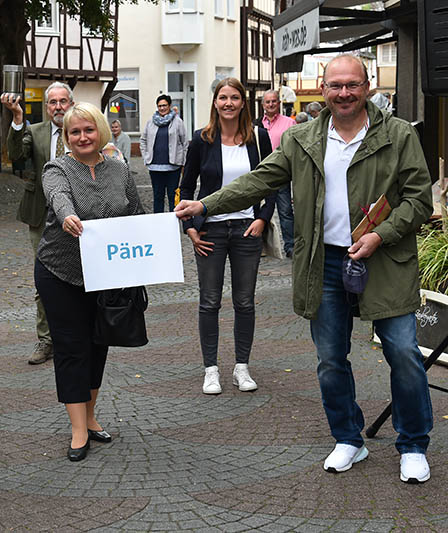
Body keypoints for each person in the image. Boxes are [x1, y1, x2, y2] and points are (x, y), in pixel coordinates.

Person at [175, 54, 434, 484]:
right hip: (325, 261)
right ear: (323, 89)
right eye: (335, 86)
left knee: (404, 354)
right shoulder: (303, 138)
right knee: (331, 359)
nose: (344, 93)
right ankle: (349, 438)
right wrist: (205, 204)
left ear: (367, 86)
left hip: (384, 259)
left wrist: (381, 235)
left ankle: (413, 443)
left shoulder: (399, 135)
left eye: (352, 85)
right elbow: (259, 180)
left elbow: (418, 200)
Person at [35, 102, 144, 462]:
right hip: (60, 272)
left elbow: (136, 215)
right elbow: (58, 196)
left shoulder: (119, 171)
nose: (82, 137)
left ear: (101, 131)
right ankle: (78, 428)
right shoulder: (57, 167)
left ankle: (92, 414)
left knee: (99, 344)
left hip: (106, 273)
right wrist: (67, 216)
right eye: (74, 132)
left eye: (88, 130)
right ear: (66, 138)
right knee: (71, 347)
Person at [180, 78, 276, 395]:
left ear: (243, 103)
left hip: (247, 229)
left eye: (235, 97)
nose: (229, 103)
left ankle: (241, 367)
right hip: (211, 230)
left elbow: (271, 182)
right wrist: (190, 227)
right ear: (215, 103)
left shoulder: (258, 138)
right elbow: (186, 186)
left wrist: (262, 218)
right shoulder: (201, 140)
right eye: (223, 97)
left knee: (244, 302)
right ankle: (211, 370)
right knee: (209, 302)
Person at [0, 82, 74, 365]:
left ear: (71, 103)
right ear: (46, 107)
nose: (58, 107)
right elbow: (17, 156)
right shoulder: (36, 131)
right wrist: (18, 118)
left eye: (63, 101)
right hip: (42, 216)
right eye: (52, 102)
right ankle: (46, 340)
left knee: (81, 275)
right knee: (45, 279)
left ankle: (76, 334)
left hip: (79, 216)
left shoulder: (82, 129)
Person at [257, 90, 296, 258]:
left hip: (281, 173)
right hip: (262, 174)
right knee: (259, 211)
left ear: (278, 103)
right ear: (263, 105)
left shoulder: (289, 123)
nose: (271, 104)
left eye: (274, 101)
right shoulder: (256, 124)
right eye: (268, 102)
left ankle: (290, 246)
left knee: (285, 210)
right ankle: (261, 246)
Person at [140, 94, 188, 213]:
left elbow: (184, 143)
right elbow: (143, 140)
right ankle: (158, 223)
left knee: (173, 196)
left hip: (173, 166)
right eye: (159, 106)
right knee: (158, 196)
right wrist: (146, 157)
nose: (162, 108)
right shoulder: (150, 122)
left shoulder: (178, 122)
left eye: (164, 105)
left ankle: (174, 221)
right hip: (155, 166)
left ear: (170, 106)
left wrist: (184, 162)